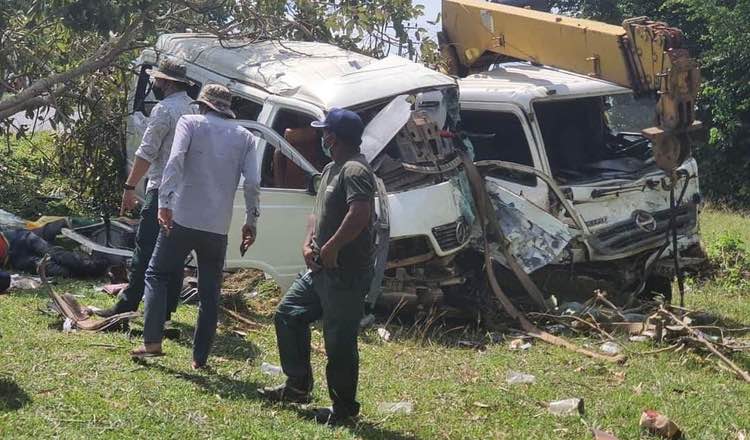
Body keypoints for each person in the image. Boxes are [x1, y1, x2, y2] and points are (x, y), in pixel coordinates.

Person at [130, 84, 260, 369]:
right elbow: (251, 182)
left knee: (156, 273)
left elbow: (174, 161)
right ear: (225, 109)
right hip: (217, 227)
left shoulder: (190, 122)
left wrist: (164, 201)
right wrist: (251, 219)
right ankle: (200, 359)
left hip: (182, 217)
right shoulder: (246, 137)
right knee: (209, 293)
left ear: (202, 105)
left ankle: (152, 342)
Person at [259, 108, 376, 426]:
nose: (322, 137)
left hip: (345, 273)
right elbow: (317, 213)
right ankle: (297, 385)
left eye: (324, 132)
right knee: (288, 314)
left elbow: (360, 214)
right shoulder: (330, 170)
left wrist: (332, 248)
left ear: (333, 137)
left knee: (338, 340)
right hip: (320, 268)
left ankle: (343, 410)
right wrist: (308, 242)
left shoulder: (355, 171)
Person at [95, 59, 195, 319]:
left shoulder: (164, 110)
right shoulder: (194, 110)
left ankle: (126, 306)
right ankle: (165, 312)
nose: (154, 83)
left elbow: (147, 152)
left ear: (165, 82)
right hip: (184, 194)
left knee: (145, 249)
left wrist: (129, 187)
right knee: (172, 254)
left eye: (157, 79)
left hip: (161, 189)